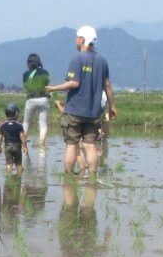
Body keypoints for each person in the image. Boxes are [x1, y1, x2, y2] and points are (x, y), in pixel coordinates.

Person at [46, 25, 116, 178]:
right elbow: (108, 85)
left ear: (82, 39)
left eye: (77, 37)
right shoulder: (102, 61)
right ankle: (92, 178)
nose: (75, 40)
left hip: (74, 111)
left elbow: (74, 83)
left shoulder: (77, 59)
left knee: (71, 145)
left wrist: (52, 88)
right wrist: (112, 106)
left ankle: (69, 178)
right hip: (93, 112)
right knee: (90, 146)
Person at [21, 53, 51, 149]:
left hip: (31, 99)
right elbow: (47, 85)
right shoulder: (45, 73)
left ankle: (24, 144)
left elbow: (26, 86)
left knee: (26, 123)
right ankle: (42, 145)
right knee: (43, 125)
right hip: (43, 99)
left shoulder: (25, 74)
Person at [0, 102, 27, 174]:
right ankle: (19, 178)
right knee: (19, 164)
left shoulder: (3, 125)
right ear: (16, 114)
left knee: (9, 164)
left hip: (7, 147)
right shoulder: (19, 125)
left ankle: (9, 179)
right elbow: (22, 137)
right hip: (17, 146)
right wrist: (25, 147)